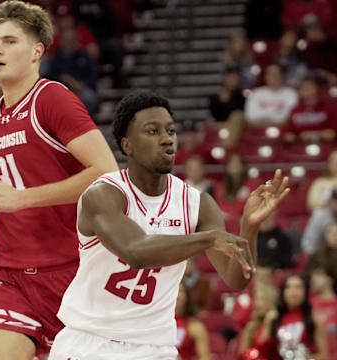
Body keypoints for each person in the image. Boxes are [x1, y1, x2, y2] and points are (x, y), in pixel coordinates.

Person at [49, 90, 290, 360]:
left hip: (156, 347)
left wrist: (249, 227)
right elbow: (136, 251)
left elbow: (236, 279)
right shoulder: (103, 195)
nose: (167, 139)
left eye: (171, 131)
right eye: (152, 132)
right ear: (127, 145)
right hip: (92, 342)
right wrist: (208, 238)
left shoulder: (196, 203)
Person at [0, 1, 118, 359]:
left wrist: (21, 197)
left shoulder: (51, 98)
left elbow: (107, 172)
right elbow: (14, 176)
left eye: (10, 41)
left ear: (37, 50)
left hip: (71, 272)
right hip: (9, 276)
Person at [267, 274, 329, 360]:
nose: (293, 292)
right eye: (288, 287)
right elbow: (265, 350)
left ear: (305, 292)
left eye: (298, 287)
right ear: (283, 292)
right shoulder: (273, 318)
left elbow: (324, 356)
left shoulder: (315, 319)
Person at [175, 282, 211, 360]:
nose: (176, 294)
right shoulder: (154, 324)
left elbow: (204, 357)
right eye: (173, 289)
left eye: (180, 291)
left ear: (187, 295)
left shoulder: (195, 327)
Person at [301, 189, 337, 254]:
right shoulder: (320, 215)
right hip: (322, 255)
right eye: (335, 200)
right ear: (330, 200)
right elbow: (308, 244)